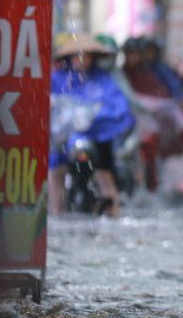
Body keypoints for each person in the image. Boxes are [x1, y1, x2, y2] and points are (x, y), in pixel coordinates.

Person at [49, 33, 137, 218]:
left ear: (91, 57)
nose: (79, 60)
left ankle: (114, 215)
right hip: (64, 138)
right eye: (75, 56)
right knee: (55, 173)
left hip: (97, 137)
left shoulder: (104, 80)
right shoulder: (58, 79)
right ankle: (55, 215)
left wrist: (95, 115)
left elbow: (119, 108)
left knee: (104, 175)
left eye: (84, 55)